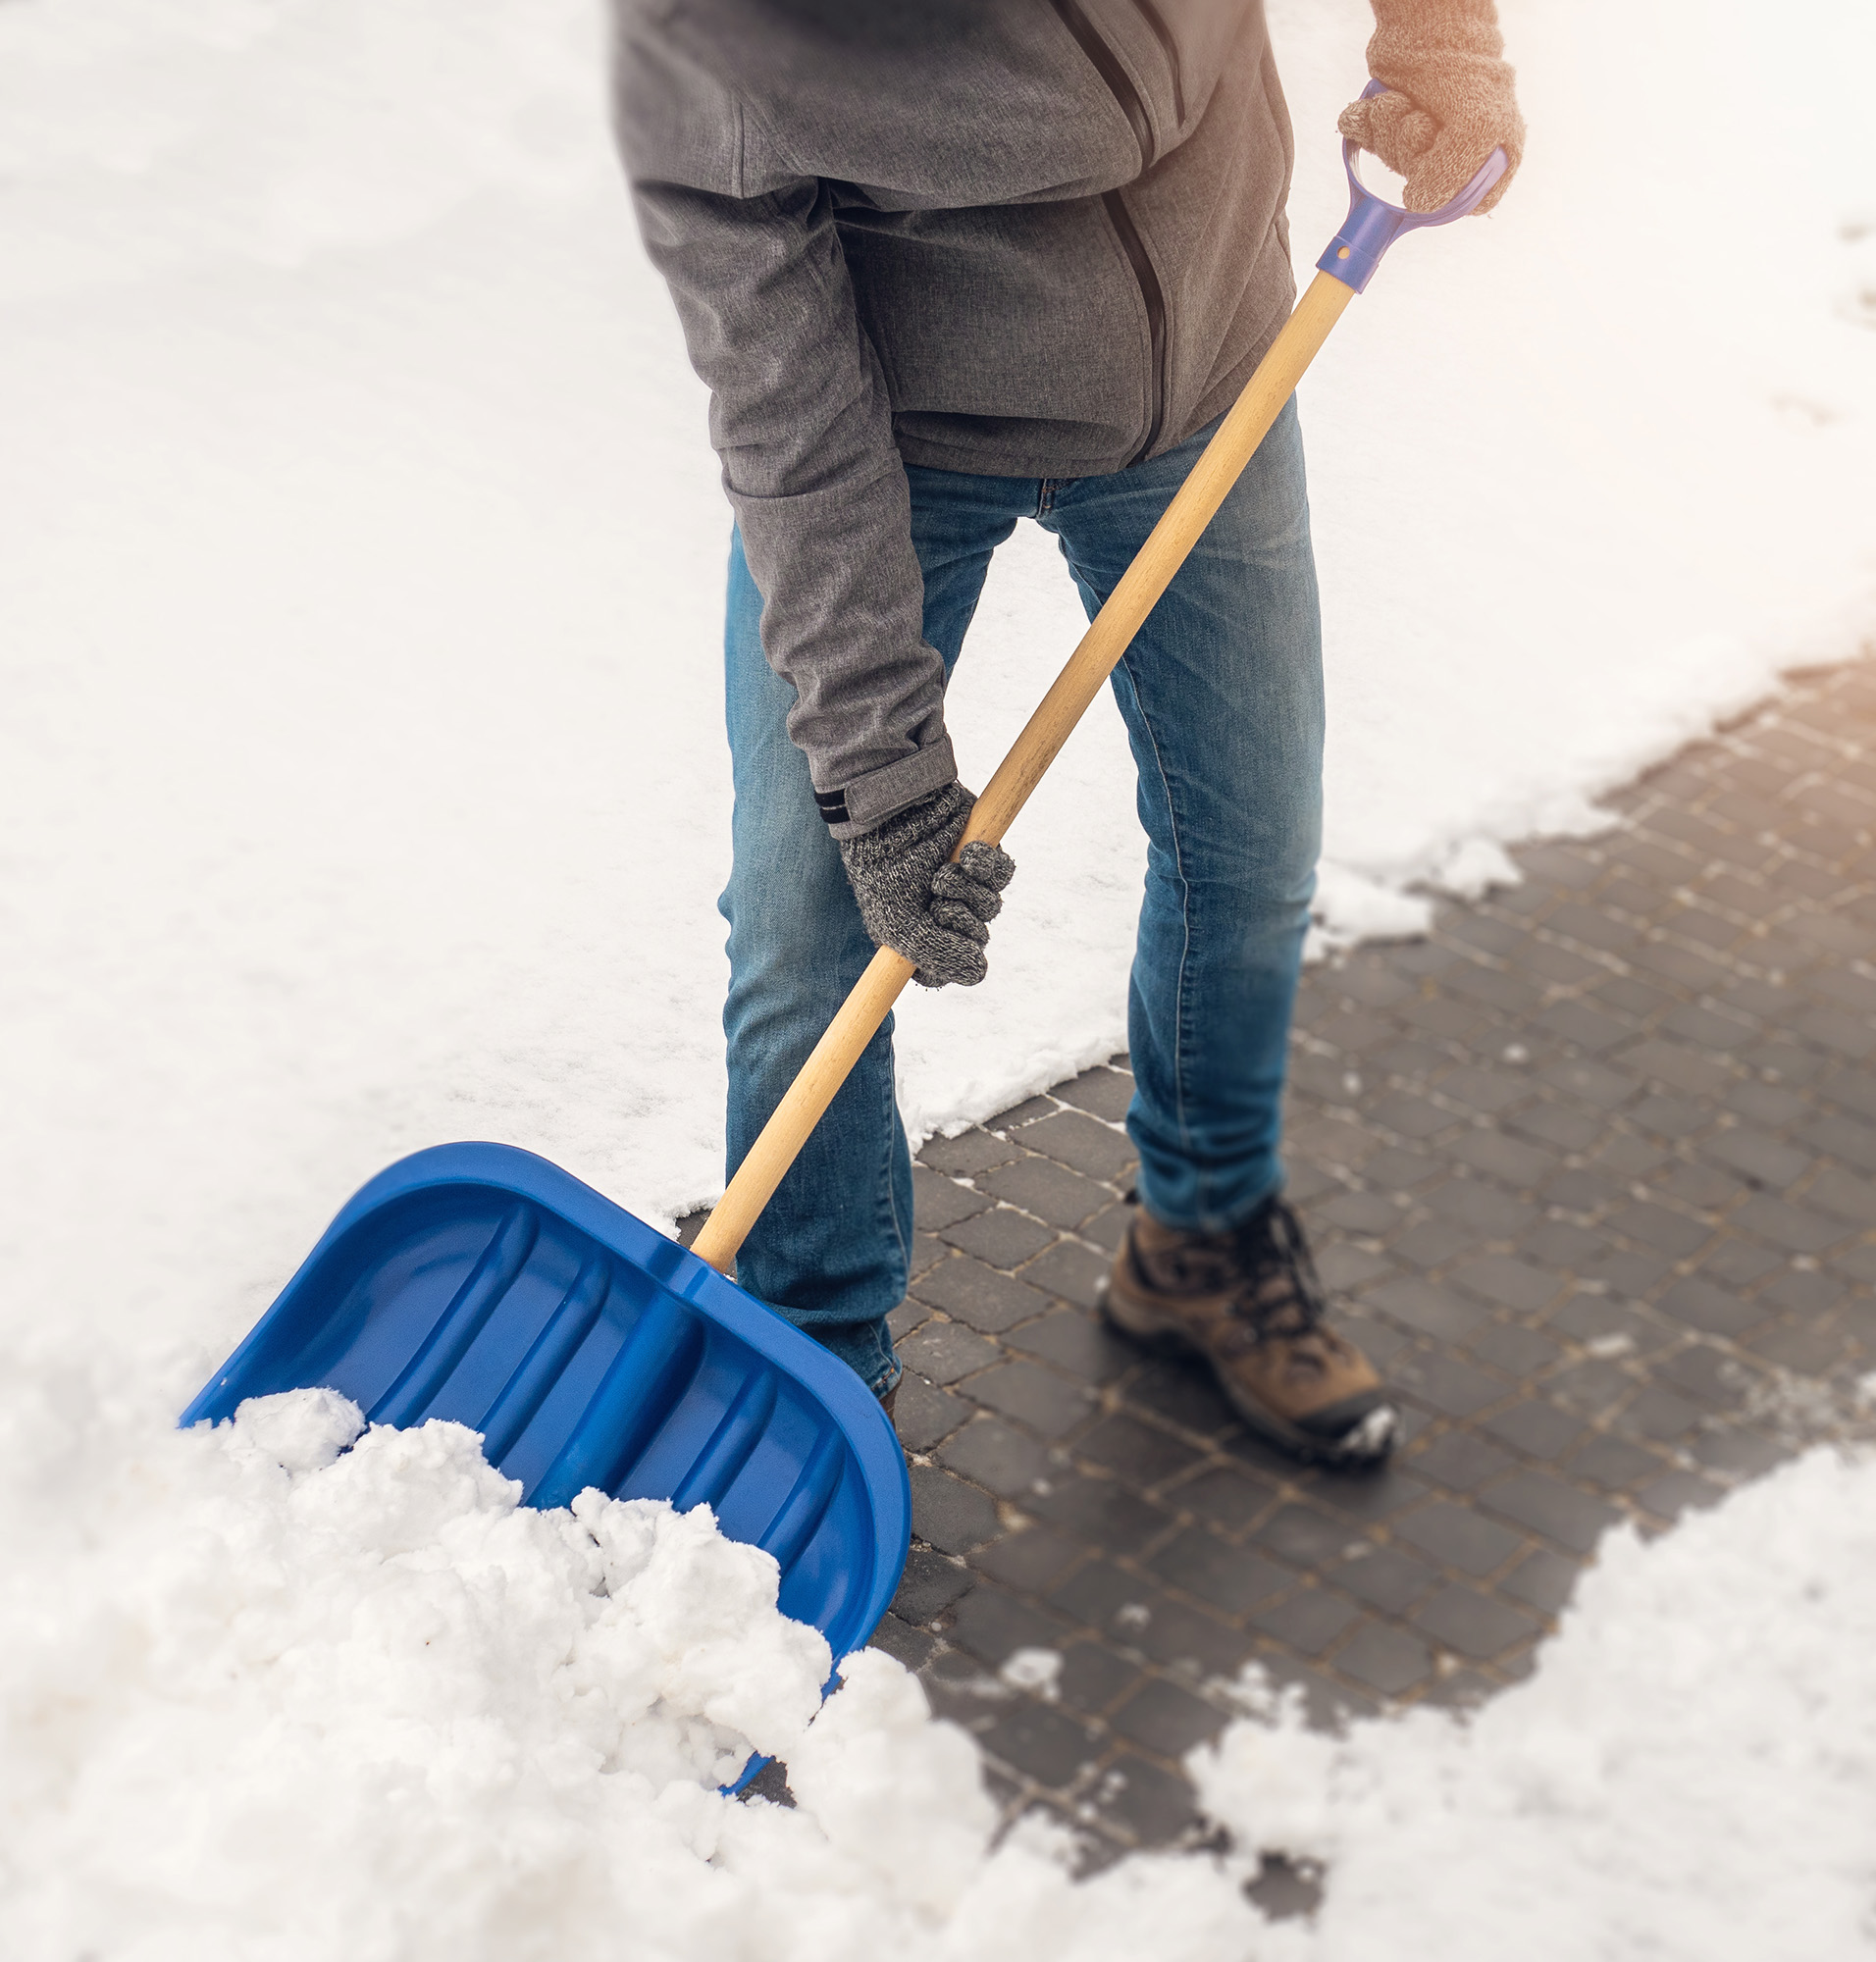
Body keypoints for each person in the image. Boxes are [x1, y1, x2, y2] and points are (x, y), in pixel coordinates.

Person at [613, 0, 1523, 1465]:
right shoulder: (708, 42)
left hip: (1212, 380)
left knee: (1248, 850)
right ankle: (815, 1357)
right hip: (895, 445)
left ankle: (1202, 1243)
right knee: (806, 921)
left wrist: (1442, 41)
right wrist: (882, 783)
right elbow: (790, 426)